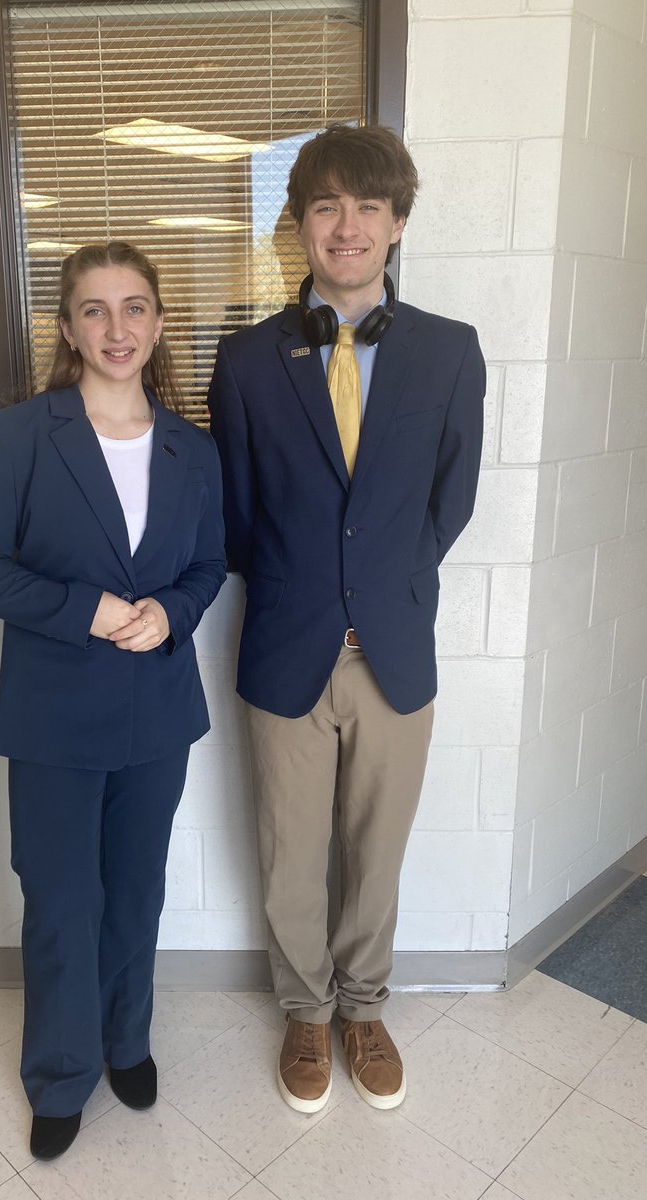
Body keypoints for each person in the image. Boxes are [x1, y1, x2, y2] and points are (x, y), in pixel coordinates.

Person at [207, 124, 485, 1114]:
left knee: (377, 848)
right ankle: (305, 1010)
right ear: (299, 225)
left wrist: (381, 584)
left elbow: (450, 501)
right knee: (290, 851)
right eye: (326, 205)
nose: (348, 225)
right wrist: (309, 588)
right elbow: (236, 517)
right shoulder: (246, 360)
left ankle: (365, 1008)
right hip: (288, 642)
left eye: (369, 205)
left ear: (397, 223)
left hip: (395, 650)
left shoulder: (450, 352)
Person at [0, 241, 226, 1159]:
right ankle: (61, 1073)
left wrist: (173, 612)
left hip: (158, 712)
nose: (118, 328)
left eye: (135, 307)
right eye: (96, 310)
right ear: (67, 328)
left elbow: (207, 563)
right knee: (63, 899)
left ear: (158, 324)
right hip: (53, 714)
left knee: (136, 893)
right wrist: (88, 610)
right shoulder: (19, 436)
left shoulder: (194, 448)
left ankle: (125, 1041)